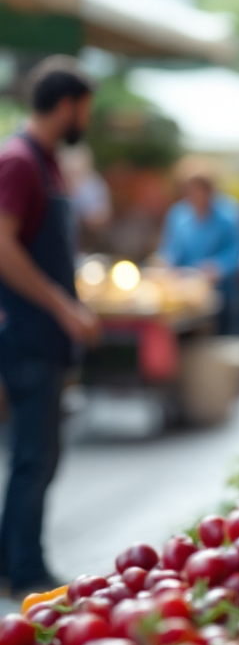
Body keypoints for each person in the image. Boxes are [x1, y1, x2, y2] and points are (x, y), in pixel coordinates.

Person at [0, 56, 101, 594]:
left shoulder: (46, 162)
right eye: (85, 109)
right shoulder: (18, 161)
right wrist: (62, 304)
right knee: (34, 456)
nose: (85, 119)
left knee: (39, 454)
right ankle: (24, 569)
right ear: (67, 106)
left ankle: (12, 557)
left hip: (45, 335)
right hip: (28, 334)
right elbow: (2, 246)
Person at [158, 163, 239, 334]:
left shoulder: (229, 213)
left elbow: (238, 250)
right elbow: (171, 248)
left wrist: (218, 267)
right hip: (185, 291)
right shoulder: (178, 214)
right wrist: (165, 262)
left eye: (200, 189)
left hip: (220, 291)